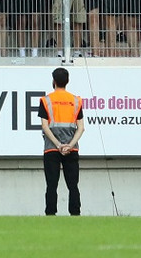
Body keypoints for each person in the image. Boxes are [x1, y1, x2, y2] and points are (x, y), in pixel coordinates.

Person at [39, 68, 84, 217]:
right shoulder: (76, 101)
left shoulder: (46, 100)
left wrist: (58, 145)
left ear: (54, 81)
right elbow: (81, 128)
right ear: (67, 81)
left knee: (51, 185)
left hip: (51, 149)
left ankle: (51, 214)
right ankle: (75, 214)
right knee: (73, 186)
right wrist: (70, 145)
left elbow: (45, 126)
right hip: (72, 149)